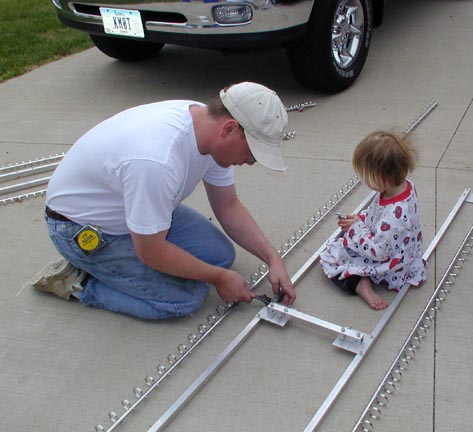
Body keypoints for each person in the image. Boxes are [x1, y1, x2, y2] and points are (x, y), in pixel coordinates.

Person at [31, 82, 296, 319]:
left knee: (220, 255)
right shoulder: (156, 160)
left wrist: (273, 259)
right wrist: (219, 278)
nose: (250, 162)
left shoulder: (207, 129)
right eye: (251, 153)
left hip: (135, 207)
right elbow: (151, 251)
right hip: (79, 226)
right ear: (229, 129)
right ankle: (80, 281)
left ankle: (142, 240)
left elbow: (228, 206)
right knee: (184, 299)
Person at [319, 131, 427, 310]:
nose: (363, 180)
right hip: (401, 249)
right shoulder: (404, 187)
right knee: (346, 236)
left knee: (331, 258)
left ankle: (360, 285)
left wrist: (356, 229)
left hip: (389, 262)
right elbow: (379, 215)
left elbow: (379, 252)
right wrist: (361, 219)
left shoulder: (395, 215)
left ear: (382, 176)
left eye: (365, 175)